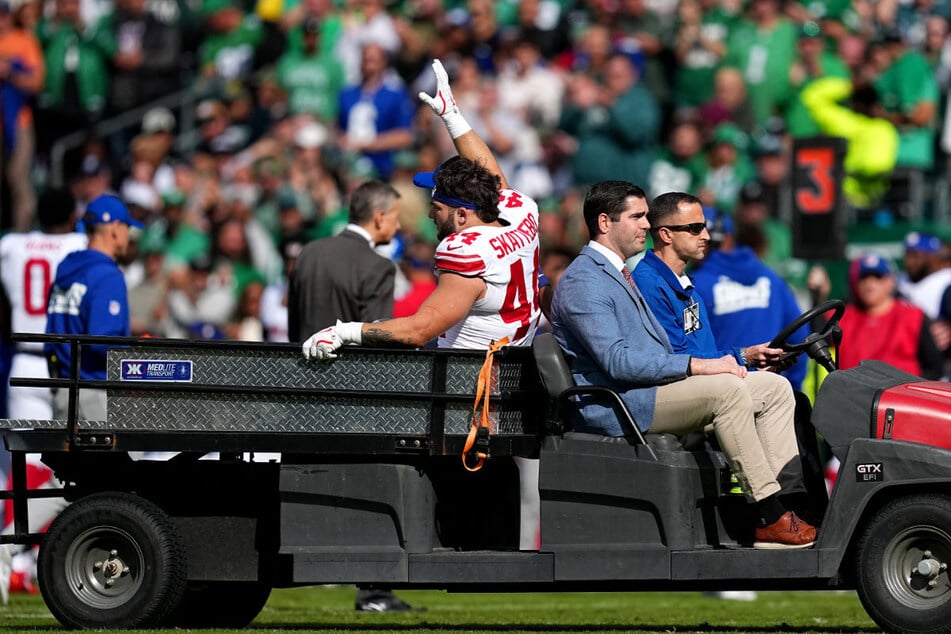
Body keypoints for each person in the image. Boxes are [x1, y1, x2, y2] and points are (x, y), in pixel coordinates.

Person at [301, 59, 542, 555]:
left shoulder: (464, 249)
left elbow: (418, 330)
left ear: (461, 211)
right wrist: (454, 119)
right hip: (511, 377)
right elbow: (492, 175)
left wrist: (347, 332)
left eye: (435, 202)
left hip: (466, 395)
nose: (428, 209)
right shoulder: (522, 214)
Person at [550, 180, 817, 549]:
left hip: (644, 391)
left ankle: (787, 503)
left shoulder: (617, 272)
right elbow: (617, 361)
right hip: (618, 404)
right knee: (725, 392)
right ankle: (768, 516)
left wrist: (730, 361)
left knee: (774, 389)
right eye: (638, 216)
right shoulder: (585, 280)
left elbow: (652, 350)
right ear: (605, 223)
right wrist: (699, 366)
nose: (647, 225)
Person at [0, 187, 85, 605]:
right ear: (71, 216)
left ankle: (17, 558)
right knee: (56, 465)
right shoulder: (78, 243)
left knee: (25, 463)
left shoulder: (12, 245)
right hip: (61, 361)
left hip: (24, 357)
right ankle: (28, 557)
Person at [44, 194, 142, 421]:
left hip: (63, 390)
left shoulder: (67, 268)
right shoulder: (107, 275)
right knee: (131, 457)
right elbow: (102, 343)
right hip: (96, 392)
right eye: (128, 227)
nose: (129, 235)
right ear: (115, 229)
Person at [287, 180, 401, 342]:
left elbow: (294, 326)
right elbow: (376, 337)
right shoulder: (379, 267)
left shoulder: (309, 252)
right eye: (396, 218)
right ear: (379, 217)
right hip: (351, 365)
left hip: (303, 362)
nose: (398, 226)